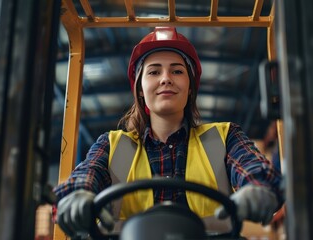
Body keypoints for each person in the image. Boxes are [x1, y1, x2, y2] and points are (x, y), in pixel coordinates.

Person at [53, 26, 284, 237]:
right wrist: (76, 195)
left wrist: (258, 188)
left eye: (177, 71)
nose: (166, 79)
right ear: (140, 89)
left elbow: (253, 168)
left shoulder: (223, 137)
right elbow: (87, 174)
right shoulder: (114, 145)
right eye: (154, 72)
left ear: (190, 85)